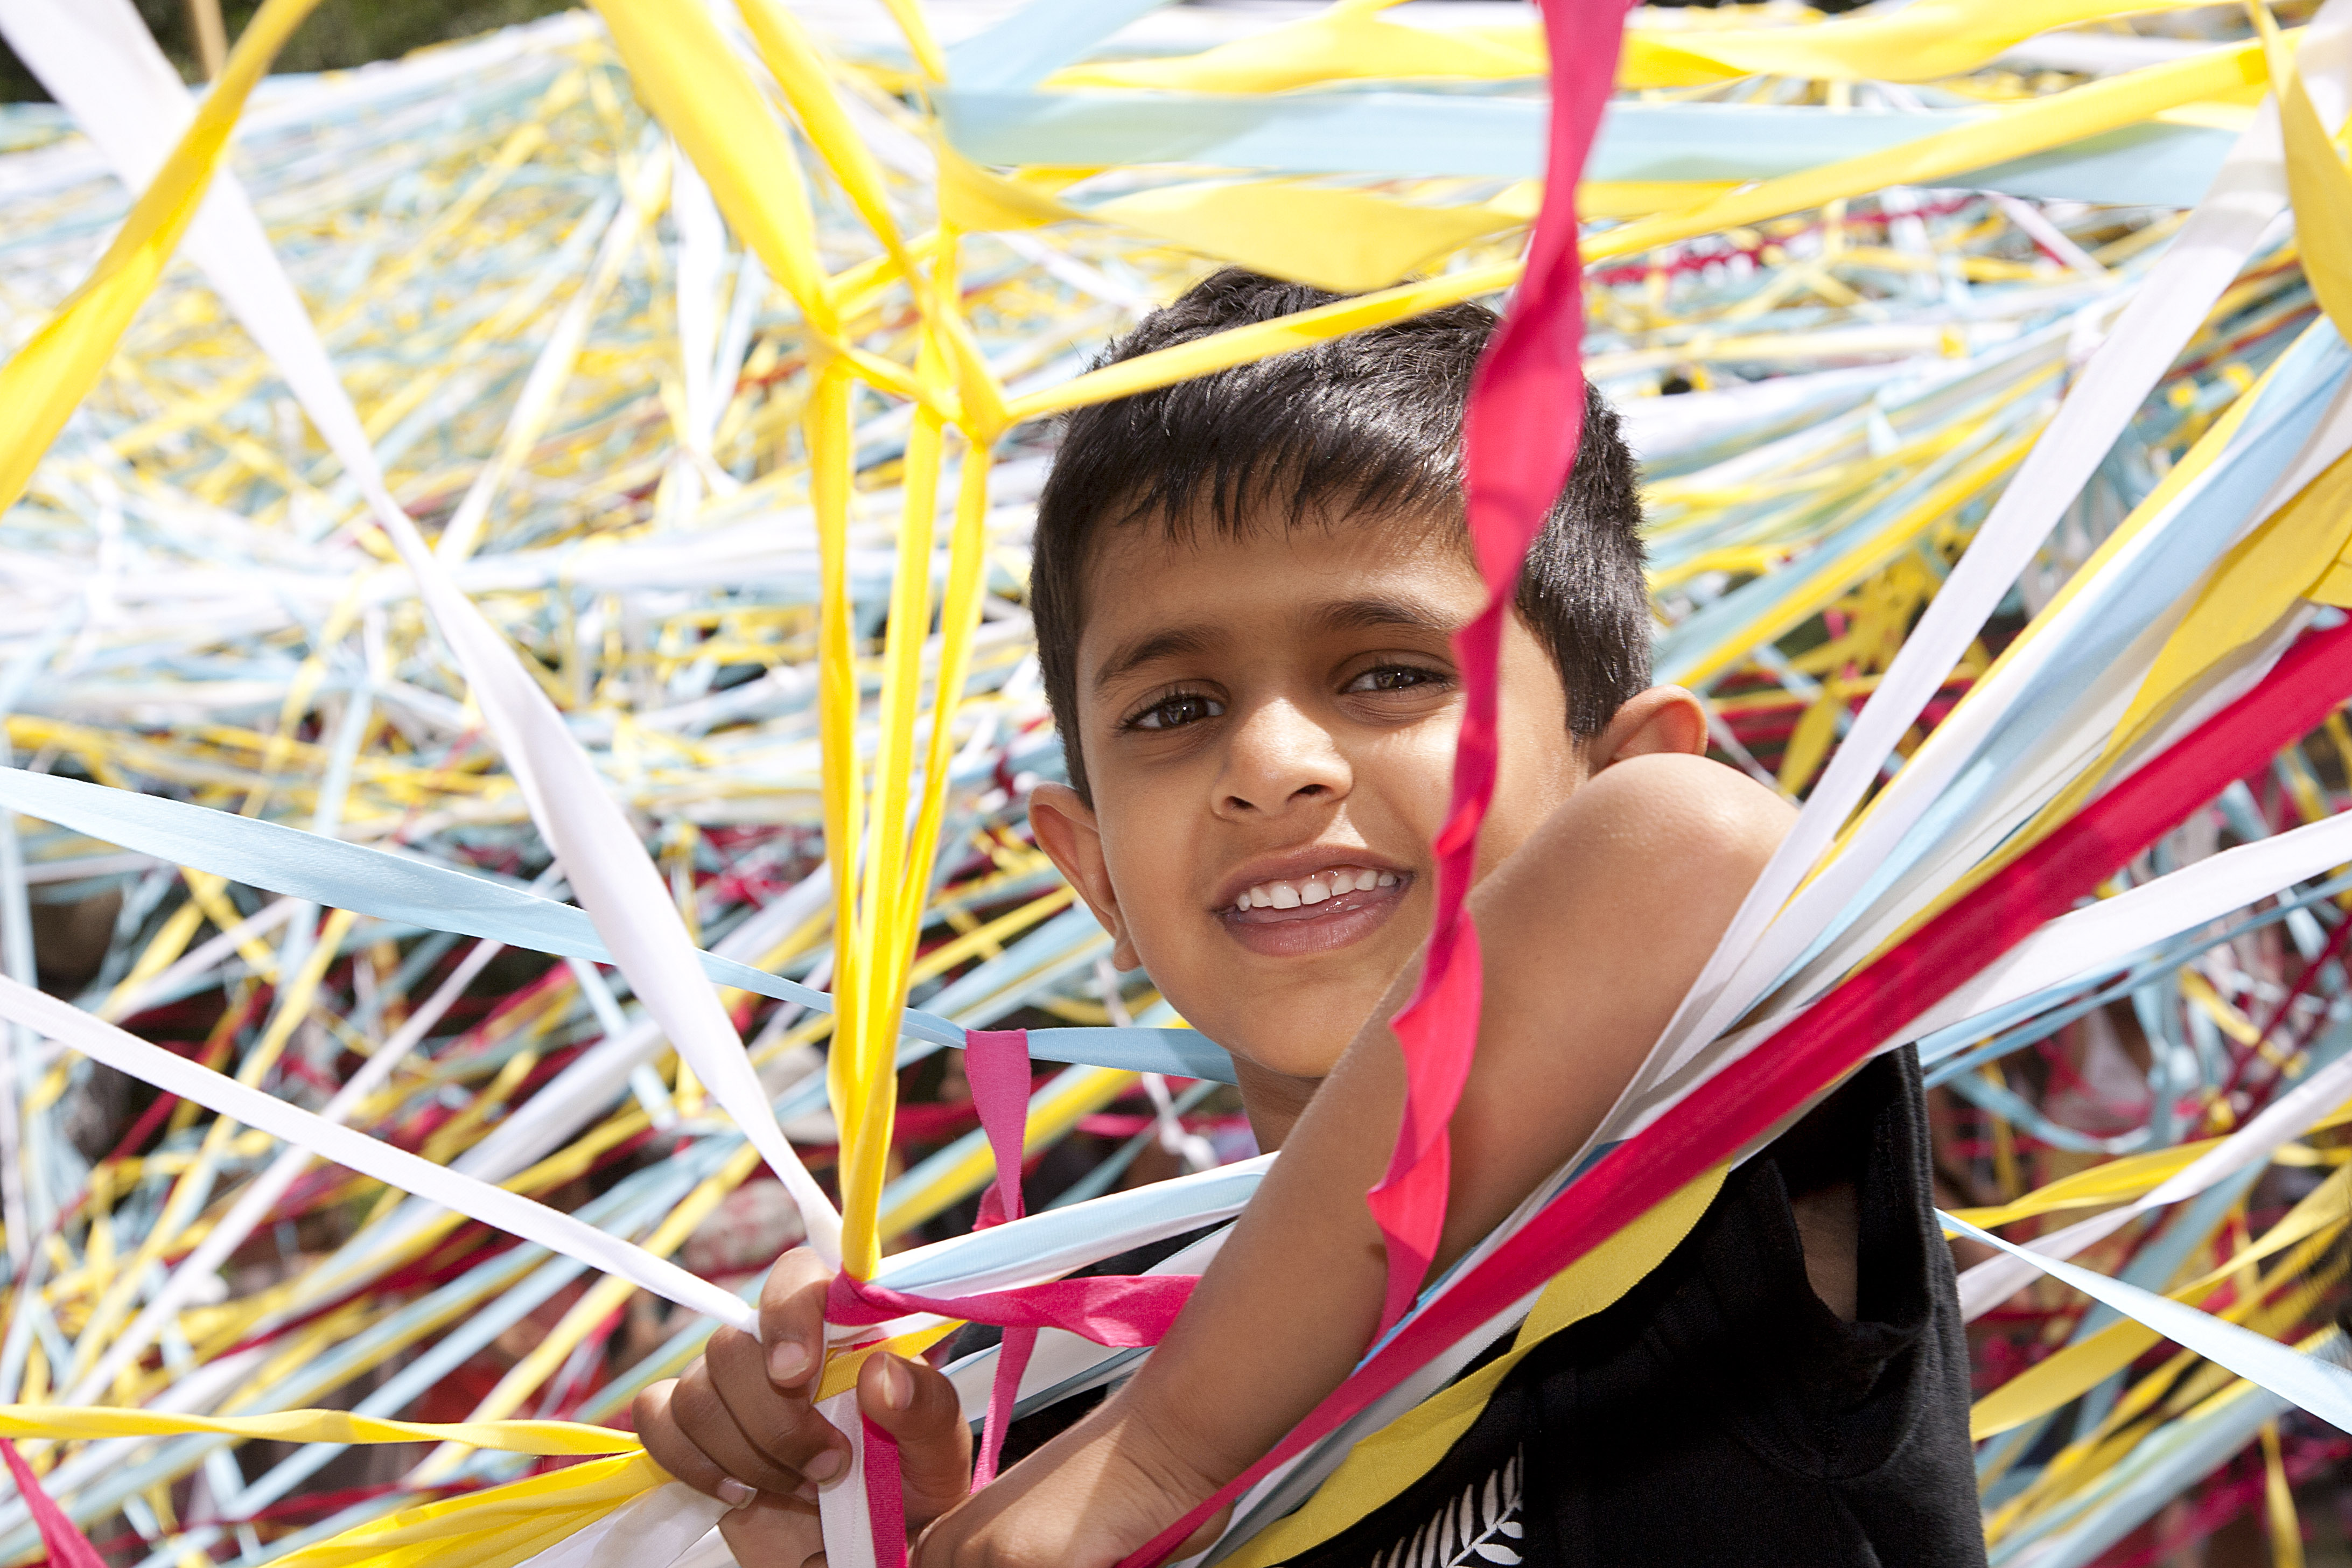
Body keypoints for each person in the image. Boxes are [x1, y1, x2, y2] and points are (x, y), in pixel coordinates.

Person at [633, 269, 1986, 1568]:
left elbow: (1700, 853)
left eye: (1388, 674)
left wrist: (1165, 1457)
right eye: (1176, 709)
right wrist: (897, 1526)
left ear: (1619, 770)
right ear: (1094, 871)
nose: (1271, 759)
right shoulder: (1070, 1384)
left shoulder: (1709, 1168)